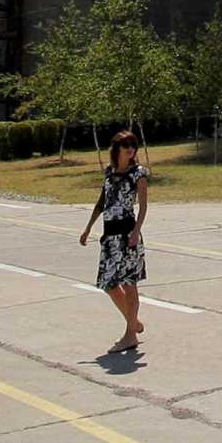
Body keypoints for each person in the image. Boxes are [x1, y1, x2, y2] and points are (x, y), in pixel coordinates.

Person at [79, 130, 148, 354]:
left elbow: (144, 206)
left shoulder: (139, 173)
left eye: (133, 145)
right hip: (109, 236)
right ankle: (133, 321)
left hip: (128, 234)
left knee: (129, 283)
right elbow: (102, 202)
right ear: (116, 149)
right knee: (108, 284)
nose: (130, 148)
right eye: (125, 145)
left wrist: (136, 232)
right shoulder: (109, 173)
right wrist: (88, 228)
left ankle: (130, 336)